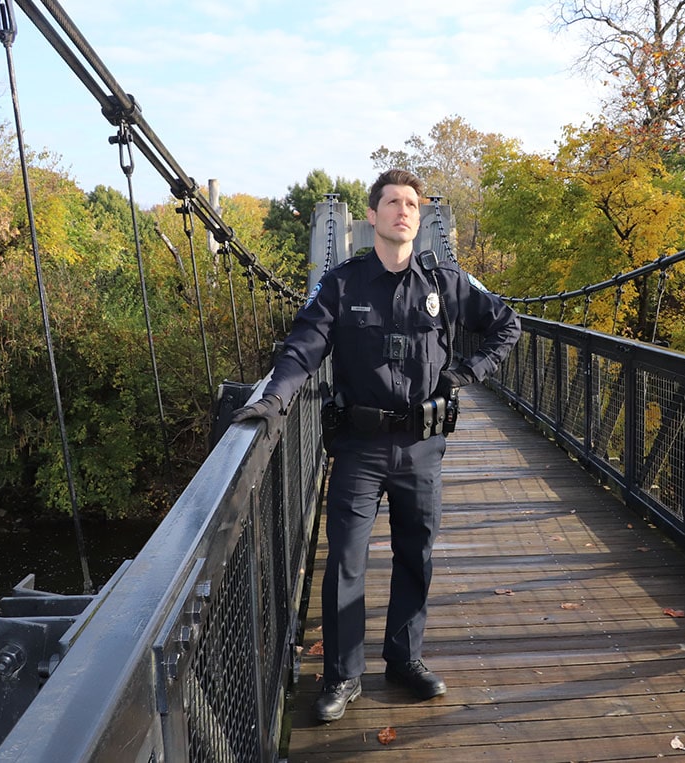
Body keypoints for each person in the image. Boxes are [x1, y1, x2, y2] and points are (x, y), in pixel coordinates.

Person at [232, 168, 520, 723]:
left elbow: (508, 325)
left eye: (412, 203)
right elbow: (302, 349)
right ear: (372, 215)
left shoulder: (445, 282)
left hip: (422, 446)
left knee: (417, 555)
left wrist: (467, 372)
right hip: (360, 446)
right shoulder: (342, 282)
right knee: (345, 560)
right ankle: (342, 676)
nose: (404, 210)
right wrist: (275, 399)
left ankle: (404, 661)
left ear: (419, 215)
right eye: (392, 202)